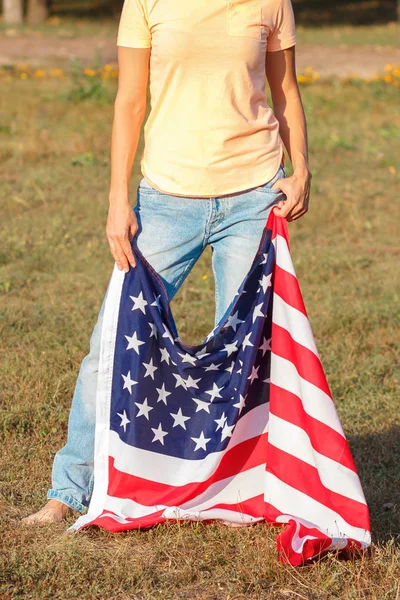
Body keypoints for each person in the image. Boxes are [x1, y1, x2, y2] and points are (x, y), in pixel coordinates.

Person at [22, 0, 311, 524]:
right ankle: (67, 491)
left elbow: (286, 90)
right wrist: (117, 198)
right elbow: (129, 99)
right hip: (166, 200)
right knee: (107, 346)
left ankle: (249, 487)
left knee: (249, 354)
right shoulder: (147, 2)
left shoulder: (273, 2)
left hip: (254, 197)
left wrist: (303, 169)